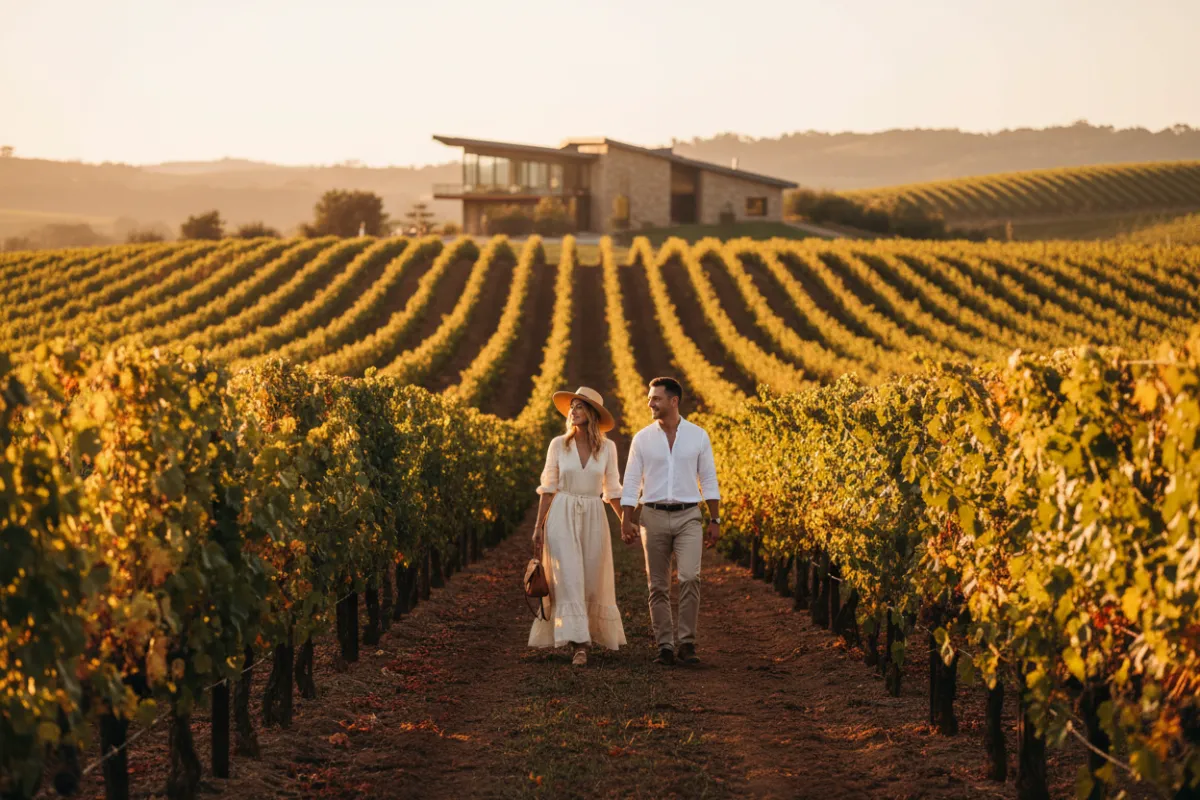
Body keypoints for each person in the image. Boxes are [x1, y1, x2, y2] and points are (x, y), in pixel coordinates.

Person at [620, 377, 720, 666]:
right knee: (658, 586)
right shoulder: (642, 438)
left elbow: (709, 479)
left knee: (690, 577)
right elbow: (631, 481)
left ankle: (687, 643)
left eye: (656, 399)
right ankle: (664, 646)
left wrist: (715, 519)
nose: (650, 403)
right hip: (651, 517)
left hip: (689, 516)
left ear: (673, 401)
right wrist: (627, 518)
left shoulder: (698, 436)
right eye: (650, 398)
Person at [528, 386, 627, 665]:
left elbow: (612, 490)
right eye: (572, 406)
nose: (573, 411)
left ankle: (588, 634)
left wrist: (625, 522)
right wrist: (539, 526)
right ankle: (579, 644)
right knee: (569, 575)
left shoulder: (608, 448)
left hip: (594, 514)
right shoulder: (559, 444)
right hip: (562, 512)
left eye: (580, 406)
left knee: (592, 575)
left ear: (592, 414)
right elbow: (548, 487)